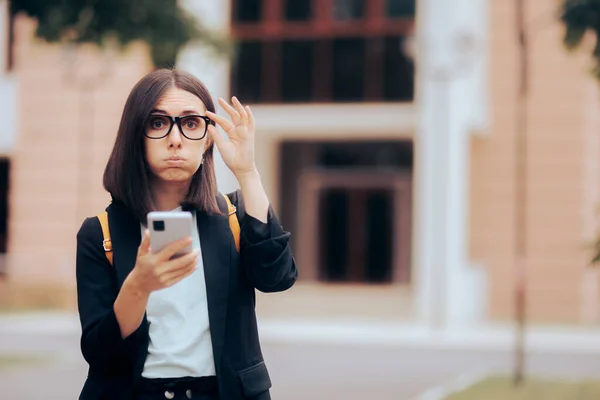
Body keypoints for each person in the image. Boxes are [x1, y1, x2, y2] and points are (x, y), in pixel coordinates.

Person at [75, 68, 298, 400]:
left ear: (208, 137)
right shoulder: (101, 233)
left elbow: (276, 277)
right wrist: (138, 286)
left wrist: (247, 173)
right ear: (135, 134)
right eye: (158, 123)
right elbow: (100, 354)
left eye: (191, 123)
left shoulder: (233, 217)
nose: (175, 139)